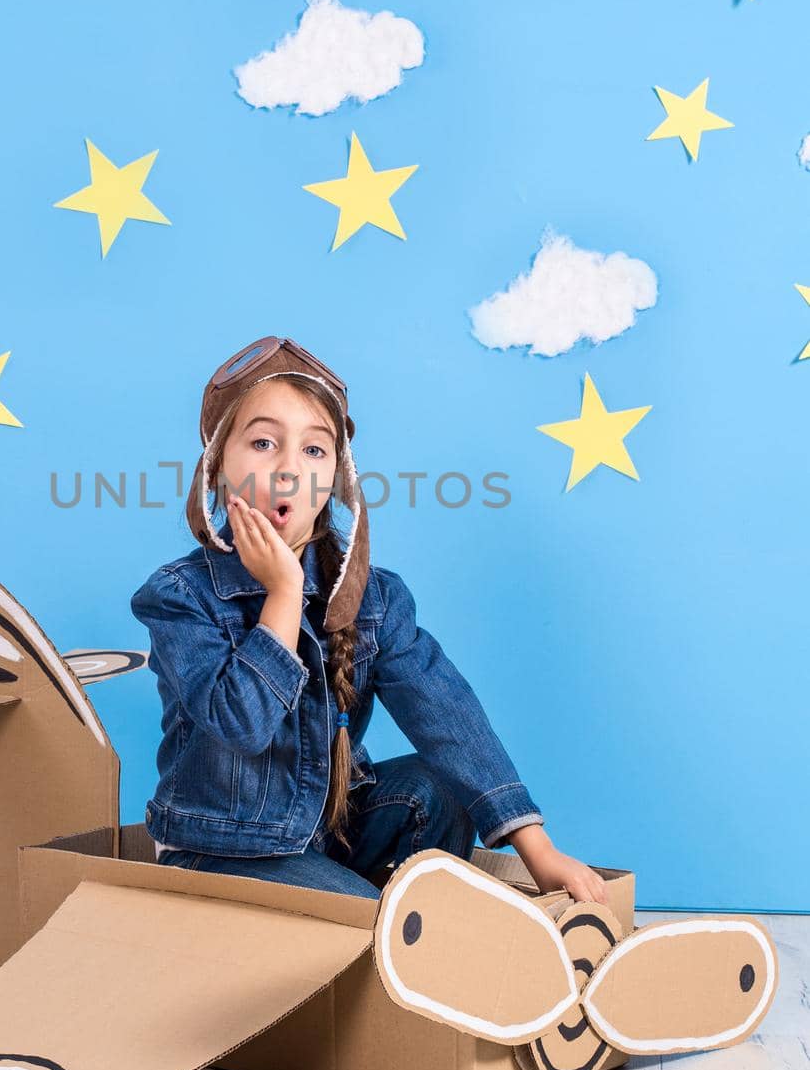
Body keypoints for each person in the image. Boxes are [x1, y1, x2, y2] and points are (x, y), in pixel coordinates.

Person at [130, 335, 609, 905]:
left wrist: (538, 849)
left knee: (440, 790)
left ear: (335, 477)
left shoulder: (375, 598)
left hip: (322, 834)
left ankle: (400, 918)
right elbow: (243, 724)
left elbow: (446, 713)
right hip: (220, 850)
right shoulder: (181, 596)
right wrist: (283, 593)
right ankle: (383, 925)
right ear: (216, 471)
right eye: (262, 442)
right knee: (381, 923)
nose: (288, 469)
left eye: (314, 451)